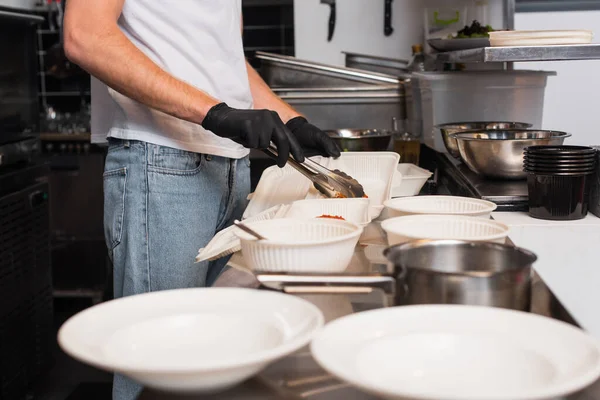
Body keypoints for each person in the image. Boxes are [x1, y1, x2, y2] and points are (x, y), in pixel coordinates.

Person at [63, 1, 340, 399]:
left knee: (204, 354)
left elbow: (225, 60)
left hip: (228, 167)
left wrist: (290, 120)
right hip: (162, 162)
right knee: (157, 360)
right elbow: (84, 36)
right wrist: (216, 114)